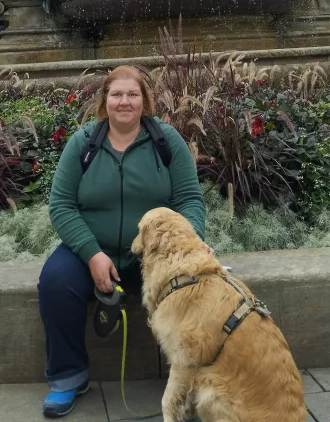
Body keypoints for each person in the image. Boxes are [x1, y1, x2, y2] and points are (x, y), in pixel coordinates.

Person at [39, 66, 206, 418]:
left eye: (133, 95)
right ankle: (69, 377)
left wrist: (188, 242)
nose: (124, 102)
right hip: (93, 251)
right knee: (55, 281)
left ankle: (191, 378)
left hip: (154, 255)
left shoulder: (167, 141)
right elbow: (62, 204)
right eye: (116, 95)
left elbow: (190, 199)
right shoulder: (83, 143)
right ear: (105, 101)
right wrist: (92, 254)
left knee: (197, 288)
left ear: (144, 101)